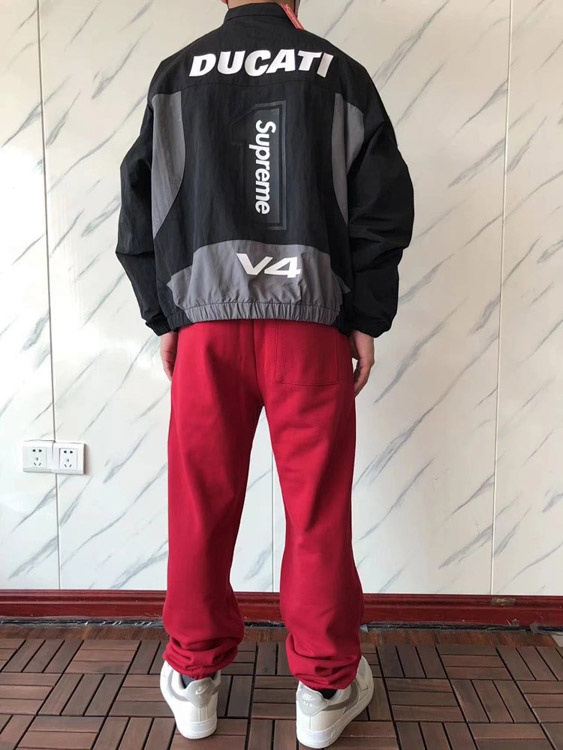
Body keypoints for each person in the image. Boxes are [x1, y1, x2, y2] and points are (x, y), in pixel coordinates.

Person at [115, 0, 414, 745]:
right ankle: (325, 687)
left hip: (206, 327)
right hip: (309, 325)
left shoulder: (178, 74)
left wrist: (165, 314)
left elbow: (138, 204)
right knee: (316, 508)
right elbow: (380, 207)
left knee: (200, 501)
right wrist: (365, 316)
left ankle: (194, 679)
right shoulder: (338, 73)